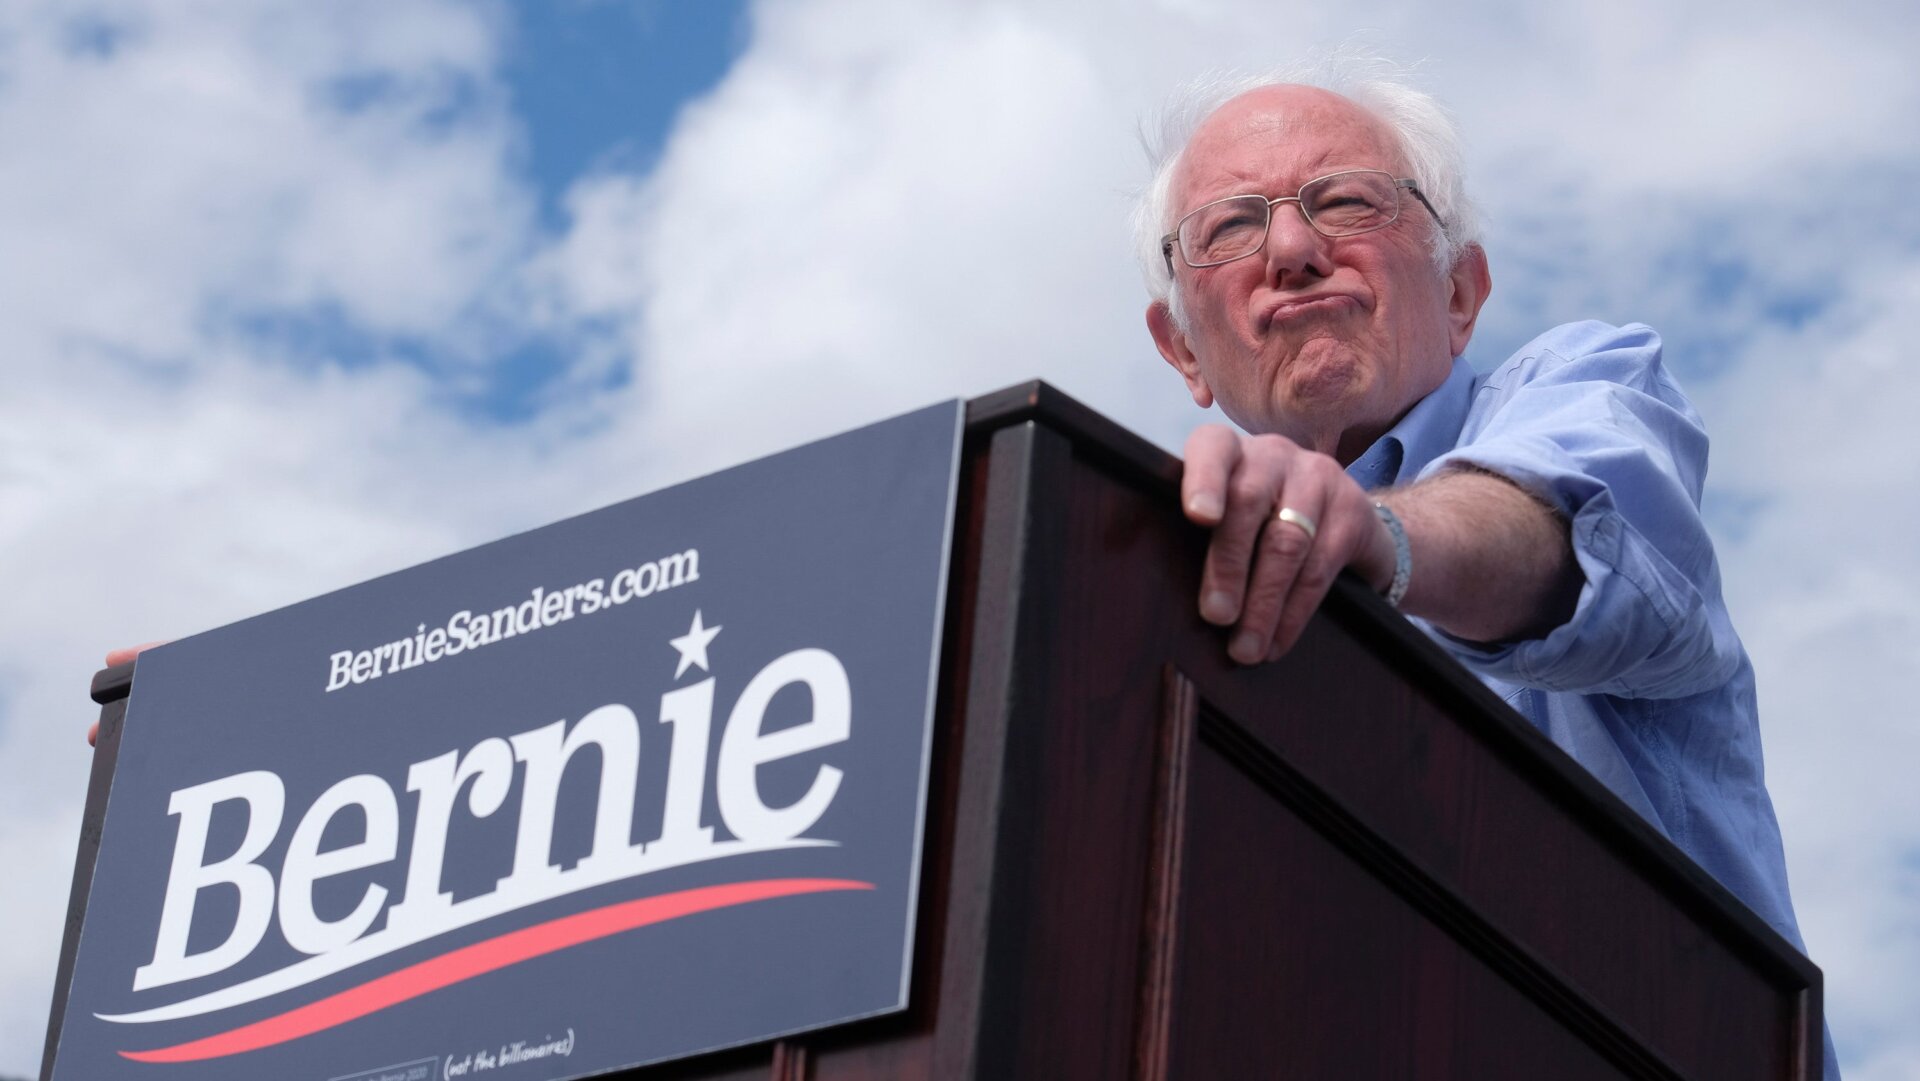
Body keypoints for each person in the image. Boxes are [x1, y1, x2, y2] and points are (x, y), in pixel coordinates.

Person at [1136, 60, 1838, 1075]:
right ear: (1182, 352)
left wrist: (1375, 536)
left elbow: (1560, 525)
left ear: (1461, 292)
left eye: (1346, 201)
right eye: (1231, 227)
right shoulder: (1151, 584)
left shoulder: (1588, 388)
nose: (1291, 250)